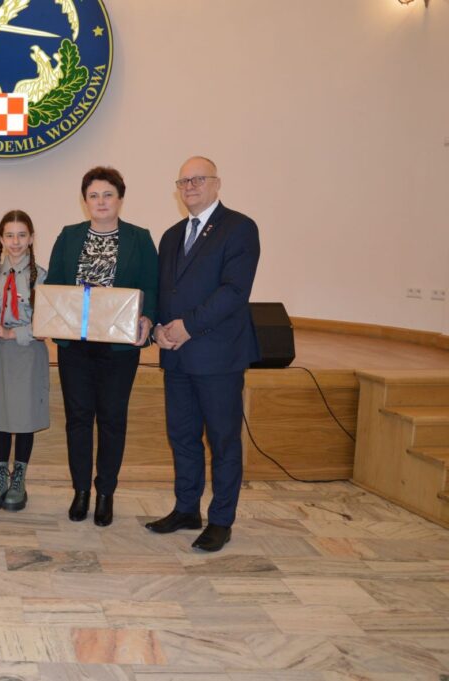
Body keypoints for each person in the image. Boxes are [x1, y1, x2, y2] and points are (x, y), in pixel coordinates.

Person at [147, 156, 261, 552]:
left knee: (223, 441)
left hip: (217, 356)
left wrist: (188, 326)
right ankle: (186, 508)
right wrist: (159, 328)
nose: (190, 186)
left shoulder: (240, 228)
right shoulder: (171, 235)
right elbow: (166, 292)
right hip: (177, 356)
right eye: (183, 181)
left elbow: (233, 292)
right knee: (182, 436)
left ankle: (221, 519)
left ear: (217, 183)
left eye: (198, 179)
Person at [45, 167, 157, 527]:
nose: (101, 202)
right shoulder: (69, 235)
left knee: (112, 420)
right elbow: (54, 285)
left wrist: (148, 319)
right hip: (75, 347)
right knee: (78, 420)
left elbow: (152, 287)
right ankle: (80, 491)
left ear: (120, 199)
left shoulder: (140, 238)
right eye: (93, 195)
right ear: (85, 201)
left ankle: (106, 492)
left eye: (108, 194)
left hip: (119, 349)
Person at [0, 210, 49, 513]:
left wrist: (12, 332)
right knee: (0, 414)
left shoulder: (43, 277)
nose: (15, 241)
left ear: (31, 238)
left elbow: (48, 324)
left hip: (27, 353)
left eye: (22, 235)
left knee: (22, 418)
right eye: (9, 235)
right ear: (0, 238)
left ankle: (18, 479)